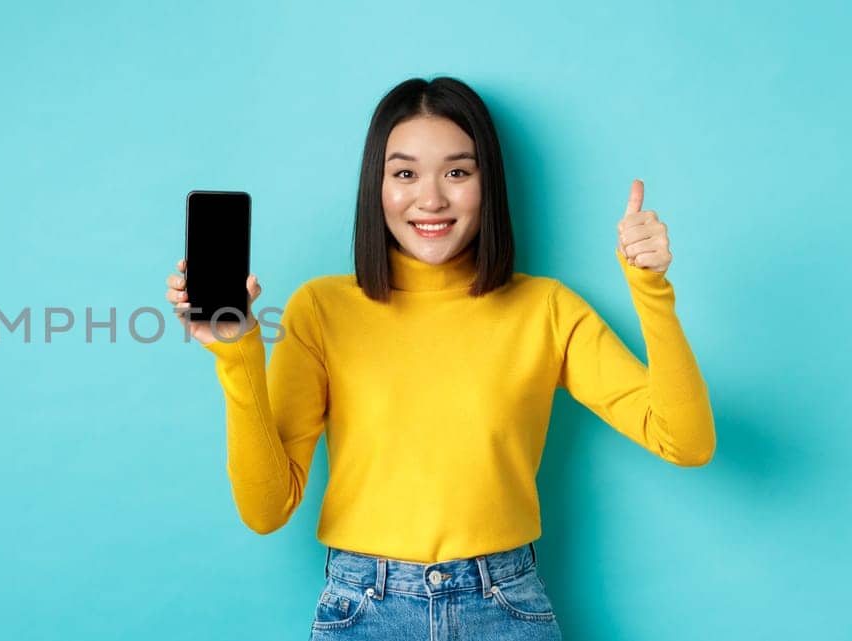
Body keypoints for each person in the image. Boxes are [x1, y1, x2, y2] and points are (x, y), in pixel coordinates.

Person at [162, 77, 714, 640]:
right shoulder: (320, 310)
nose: (431, 199)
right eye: (404, 173)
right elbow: (267, 508)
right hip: (363, 609)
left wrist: (650, 292)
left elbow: (685, 440)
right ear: (376, 186)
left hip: (505, 606)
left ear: (486, 183)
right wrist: (237, 354)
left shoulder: (546, 309)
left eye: (457, 172)